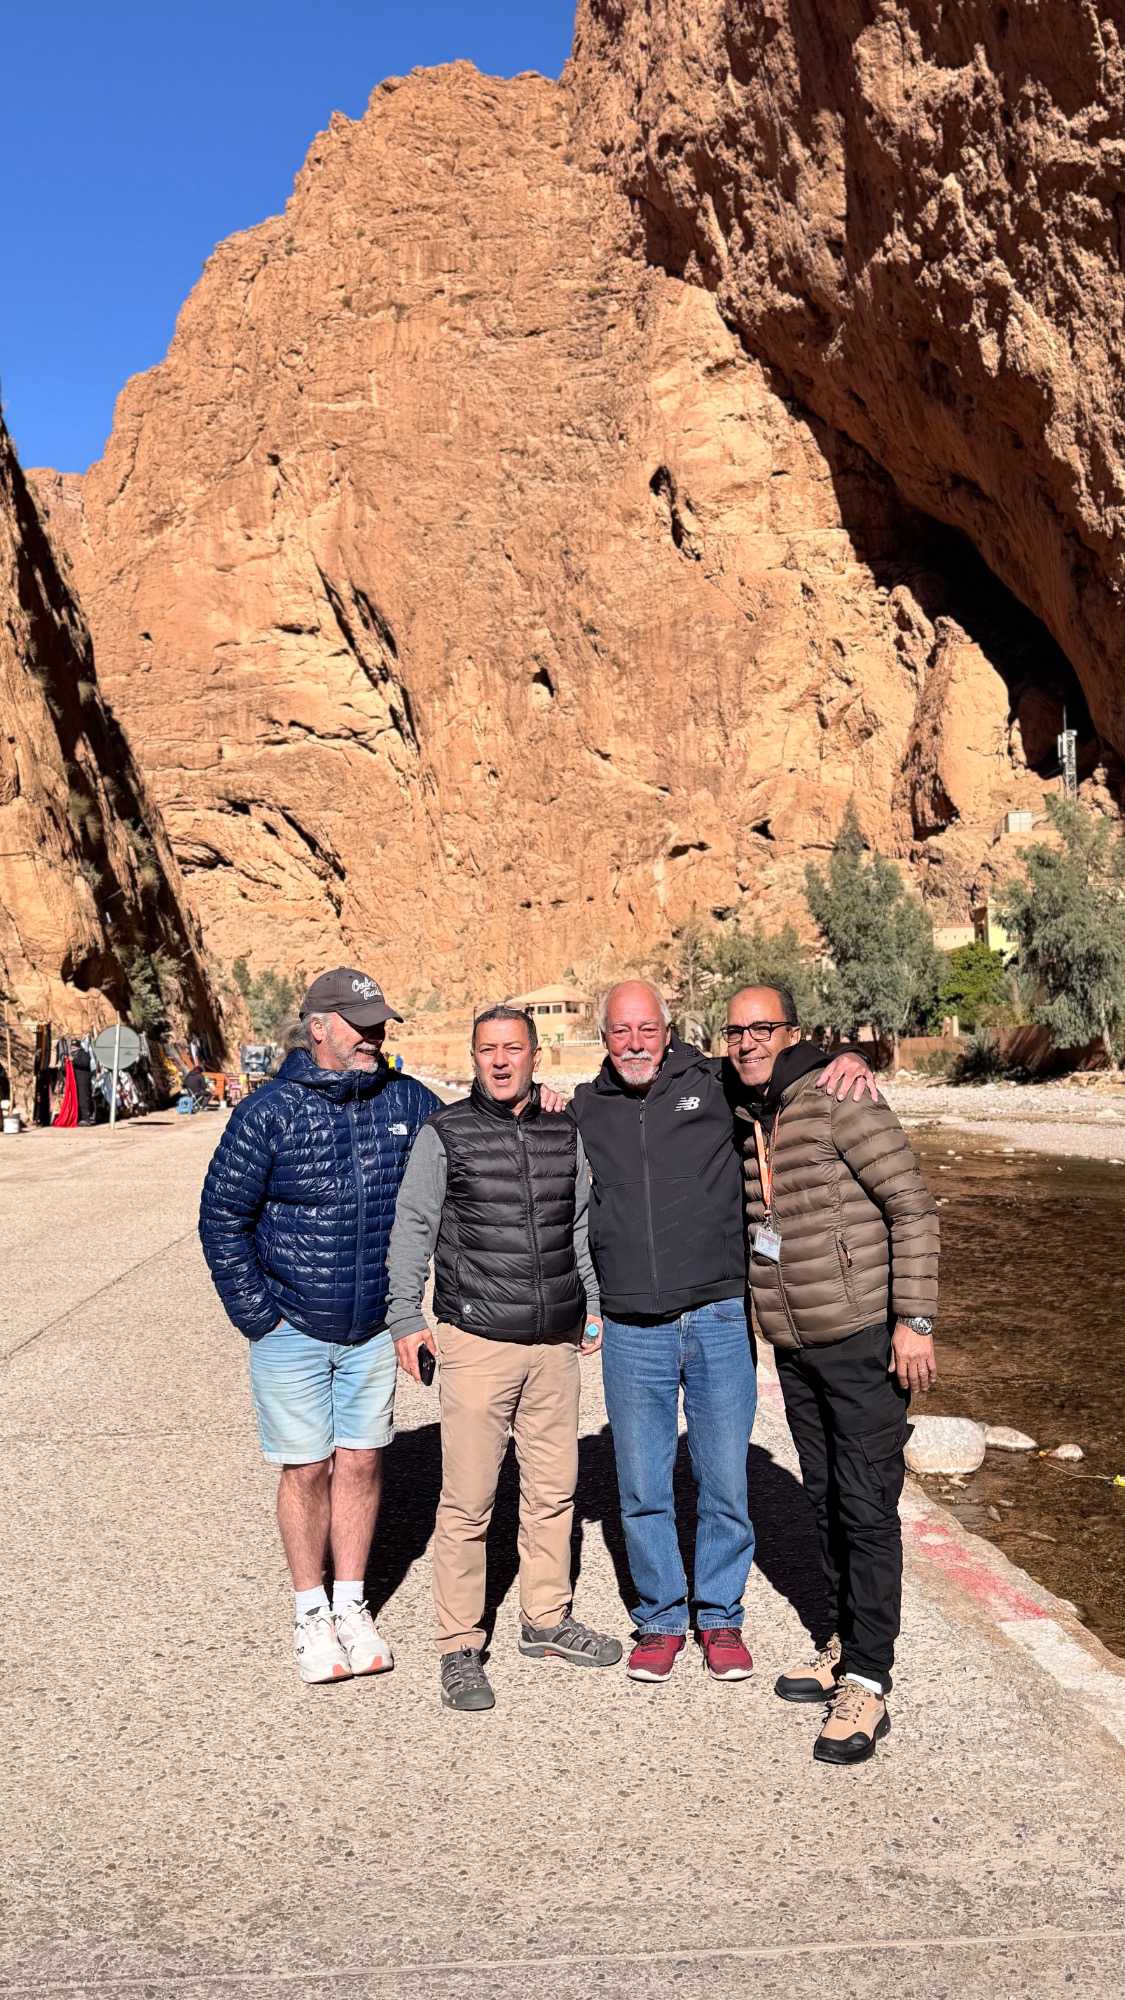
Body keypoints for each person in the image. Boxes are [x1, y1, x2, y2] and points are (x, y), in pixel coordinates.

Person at [571, 980, 875, 1685]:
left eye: (647, 1029)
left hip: (716, 1317)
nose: (635, 1044)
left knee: (724, 1481)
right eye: (621, 1032)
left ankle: (719, 1615)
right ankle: (659, 1619)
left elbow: (777, 1062)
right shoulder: (585, 1106)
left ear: (668, 1029)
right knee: (641, 1486)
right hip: (632, 1327)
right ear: (604, 1038)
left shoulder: (712, 1082)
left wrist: (849, 1057)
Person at [199, 967, 440, 1685]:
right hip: (292, 1326)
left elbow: (473, 1135)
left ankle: (350, 1605)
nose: (375, 1037)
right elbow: (222, 1219)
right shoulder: (267, 1113)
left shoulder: (406, 1100)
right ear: (319, 1028)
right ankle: (310, 1612)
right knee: (306, 1468)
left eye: (380, 1025)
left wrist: (541, 1100)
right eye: (361, 1025)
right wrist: (260, 1318)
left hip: (372, 1326)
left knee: (362, 1461)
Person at [386, 1005, 622, 1713]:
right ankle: (458, 1644)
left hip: (553, 1343)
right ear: (473, 1058)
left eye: (512, 1048)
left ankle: (545, 1619)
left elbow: (576, 1223)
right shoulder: (445, 1134)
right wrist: (406, 1318)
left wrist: (590, 1301)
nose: (499, 1061)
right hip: (477, 1341)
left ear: (533, 1055)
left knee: (553, 1492)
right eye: (487, 1049)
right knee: (468, 1501)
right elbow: (413, 1227)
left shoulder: (564, 1129)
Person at [731, 983, 938, 1765]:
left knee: (865, 1507)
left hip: (861, 1340)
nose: (747, 1042)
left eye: (763, 1028)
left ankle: (868, 1685)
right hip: (795, 1345)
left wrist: (914, 1321)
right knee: (823, 1501)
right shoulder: (750, 1108)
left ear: (792, 1033)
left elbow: (912, 1207)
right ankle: (843, 1644)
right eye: (735, 1031)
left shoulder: (840, 1096)